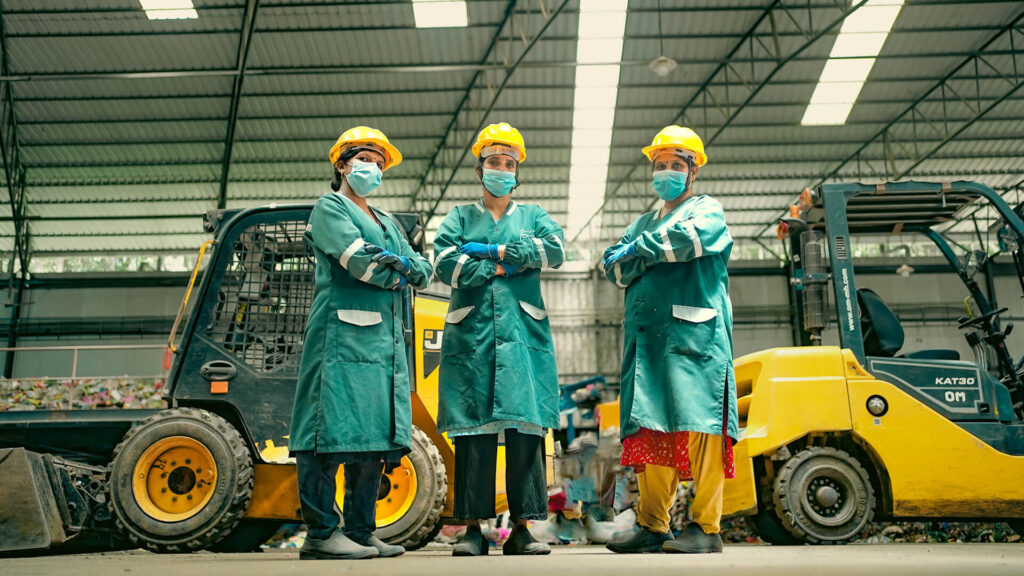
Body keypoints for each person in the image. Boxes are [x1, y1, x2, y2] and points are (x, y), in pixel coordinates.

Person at [289, 126, 433, 560]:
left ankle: (361, 531)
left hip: (383, 344)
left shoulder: (387, 221)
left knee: (373, 433)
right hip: (340, 337)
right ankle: (320, 534)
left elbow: (424, 270)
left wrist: (404, 265)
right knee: (327, 431)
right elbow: (360, 264)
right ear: (342, 165)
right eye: (364, 158)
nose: (372, 167)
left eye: (378, 161)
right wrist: (398, 269)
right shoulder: (329, 207)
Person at [601, 125, 737, 554]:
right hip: (650, 344)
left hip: (696, 339)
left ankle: (706, 527)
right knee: (651, 427)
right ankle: (652, 525)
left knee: (701, 426)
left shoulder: (707, 210)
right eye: (660, 165)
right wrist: (642, 252)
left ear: (693, 171)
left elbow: (688, 241)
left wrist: (639, 250)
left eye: (676, 165)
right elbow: (614, 269)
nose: (666, 172)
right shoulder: (644, 220)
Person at [433, 122, 565, 556]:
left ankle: (523, 529)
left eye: (509, 163)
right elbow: (447, 265)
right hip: (472, 335)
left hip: (522, 333)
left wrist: (489, 253)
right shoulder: (458, 217)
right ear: (479, 169)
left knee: (525, 430)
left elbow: (555, 252)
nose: (501, 169)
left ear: (517, 171)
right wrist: (507, 263)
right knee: (474, 433)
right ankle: (473, 529)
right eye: (494, 162)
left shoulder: (535, 215)